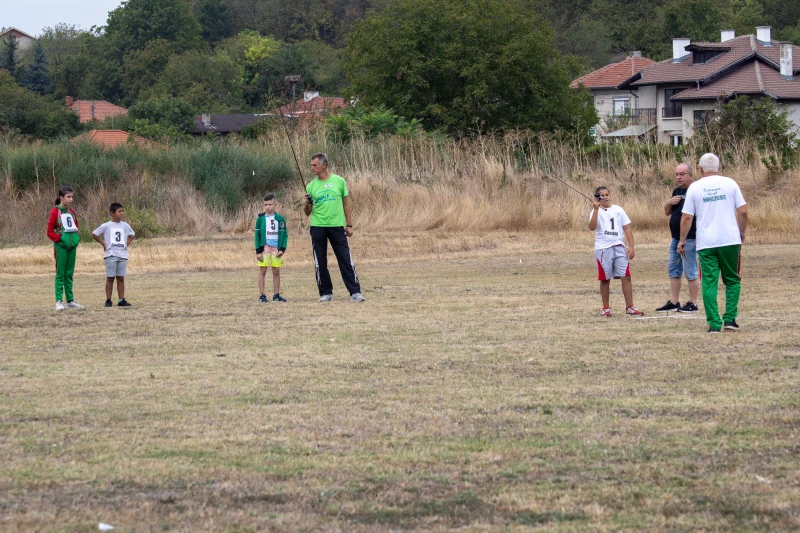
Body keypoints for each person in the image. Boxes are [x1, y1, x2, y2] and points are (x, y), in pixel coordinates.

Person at [678, 153, 747, 333]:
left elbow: (686, 217)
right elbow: (743, 211)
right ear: (718, 167)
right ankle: (730, 319)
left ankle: (714, 324)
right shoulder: (730, 183)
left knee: (709, 282)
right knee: (732, 279)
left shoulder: (695, 187)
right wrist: (741, 232)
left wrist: (682, 239)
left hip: (707, 242)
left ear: (700, 169)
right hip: (730, 240)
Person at [302, 153, 365, 302]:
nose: (312, 168)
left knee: (345, 258)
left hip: (337, 226)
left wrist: (349, 225)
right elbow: (307, 213)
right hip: (317, 226)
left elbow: (346, 204)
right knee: (320, 261)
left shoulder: (339, 181)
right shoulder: (311, 186)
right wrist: (307, 203)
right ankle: (325, 293)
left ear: (324, 165)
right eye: (311, 165)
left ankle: (355, 292)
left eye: (315, 165)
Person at [588, 186, 643, 317]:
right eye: (602, 195)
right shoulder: (595, 211)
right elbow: (592, 227)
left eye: (607, 194)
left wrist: (631, 246)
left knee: (626, 276)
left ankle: (630, 307)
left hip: (619, 247)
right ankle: (606, 308)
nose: (605, 197)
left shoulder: (618, 210)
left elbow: (627, 228)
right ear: (597, 197)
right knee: (605, 279)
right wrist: (596, 209)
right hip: (603, 248)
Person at [656, 162, 699, 313]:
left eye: (682, 174)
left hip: (690, 238)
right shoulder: (676, 191)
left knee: (690, 271)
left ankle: (693, 303)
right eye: (676, 174)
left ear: (690, 176)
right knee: (673, 270)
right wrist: (669, 202)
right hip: (675, 238)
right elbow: (667, 212)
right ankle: (674, 302)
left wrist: (684, 239)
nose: (678, 177)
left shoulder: (695, 190)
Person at [46, 185, 84, 311]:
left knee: (69, 274)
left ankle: (70, 300)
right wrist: (60, 239)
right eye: (68, 197)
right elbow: (49, 231)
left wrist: (76, 239)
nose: (71, 199)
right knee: (60, 274)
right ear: (61, 197)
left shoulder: (72, 213)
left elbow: (76, 228)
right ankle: (58, 301)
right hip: (61, 248)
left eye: (72, 197)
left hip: (72, 248)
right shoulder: (55, 212)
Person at [92, 203, 136, 307]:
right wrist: (103, 243)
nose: (121, 213)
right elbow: (94, 234)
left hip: (122, 255)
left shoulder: (125, 225)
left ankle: (121, 300)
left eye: (122, 211)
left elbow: (132, 235)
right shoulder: (106, 225)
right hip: (111, 254)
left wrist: (126, 244)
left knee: (121, 278)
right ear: (112, 213)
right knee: (110, 277)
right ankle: (108, 300)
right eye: (119, 211)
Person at [254, 193, 288, 302]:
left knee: (276, 271)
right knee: (262, 270)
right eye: (265, 205)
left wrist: (282, 249)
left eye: (270, 204)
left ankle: (276, 295)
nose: (268, 207)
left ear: (275, 204)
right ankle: (262, 295)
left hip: (276, 249)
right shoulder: (260, 219)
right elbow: (257, 235)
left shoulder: (280, 219)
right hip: (264, 248)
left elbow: (285, 235)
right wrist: (258, 251)